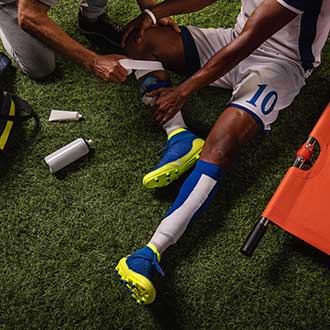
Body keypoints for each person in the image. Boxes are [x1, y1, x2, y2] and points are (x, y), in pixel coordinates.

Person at [115, 0, 330, 304]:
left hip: (280, 63)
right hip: (234, 38)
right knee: (141, 40)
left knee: (223, 143)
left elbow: (253, 37)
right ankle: (179, 136)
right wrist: (154, 14)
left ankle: (151, 252)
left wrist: (185, 90)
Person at [0, 0, 203, 185]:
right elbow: (29, 16)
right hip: (19, 7)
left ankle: (91, 20)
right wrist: (93, 61)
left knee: (133, 35)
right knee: (41, 66)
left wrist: (150, 11)